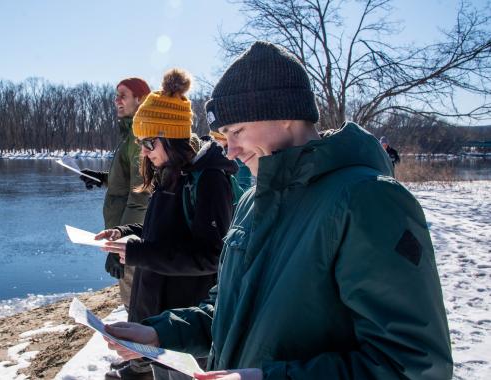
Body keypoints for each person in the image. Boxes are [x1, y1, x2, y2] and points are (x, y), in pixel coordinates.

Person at [103, 41, 453, 380]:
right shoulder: (252, 201)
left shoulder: (368, 201)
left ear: (285, 115)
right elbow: (229, 309)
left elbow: (413, 365)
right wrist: (162, 334)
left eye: (237, 131)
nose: (231, 151)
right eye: (224, 136)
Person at [97, 69, 237, 380]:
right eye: (140, 142)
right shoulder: (169, 172)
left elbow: (211, 256)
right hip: (158, 312)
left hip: (186, 321)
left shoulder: (209, 179)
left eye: (149, 142)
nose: (144, 151)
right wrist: (126, 233)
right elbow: (160, 234)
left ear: (172, 137)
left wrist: (139, 254)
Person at [79, 77, 151, 312]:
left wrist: (122, 244)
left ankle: (141, 348)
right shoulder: (130, 134)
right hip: (128, 236)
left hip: (132, 239)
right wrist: (102, 178)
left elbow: (140, 196)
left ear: (140, 99)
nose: (116, 100)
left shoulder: (139, 137)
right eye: (116, 95)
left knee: (136, 308)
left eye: (123, 95)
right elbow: (129, 180)